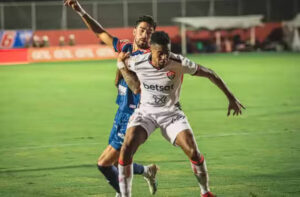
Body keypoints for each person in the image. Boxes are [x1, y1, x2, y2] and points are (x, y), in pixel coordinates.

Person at [117, 31, 245, 197]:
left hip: (171, 113)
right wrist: (120, 65)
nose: (164, 57)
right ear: (151, 51)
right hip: (146, 113)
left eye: (167, 52)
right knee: (127, 148)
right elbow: (123, 64)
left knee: (193, 151)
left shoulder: (178, 62)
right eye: (160, 54)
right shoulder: (138, 62)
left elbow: (210, 73)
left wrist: (231, 98)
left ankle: (205, 192)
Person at [64, 0, 158, 196]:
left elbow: (137, 88)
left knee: (104, 164)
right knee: (117, 162)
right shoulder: (124, 46)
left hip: (134, 117)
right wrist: (80, 11)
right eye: (142, 30)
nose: (145, 34)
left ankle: (124, 193)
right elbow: (100, 32)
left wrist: (121, 67)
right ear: (134, 31)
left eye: (149, 32)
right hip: (121, 112)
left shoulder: (150, 59)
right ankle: (147, 171)